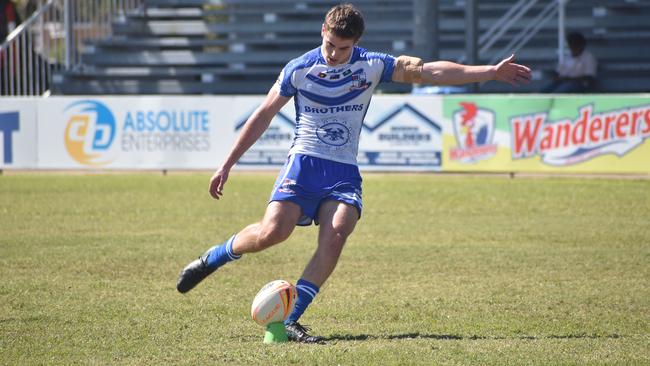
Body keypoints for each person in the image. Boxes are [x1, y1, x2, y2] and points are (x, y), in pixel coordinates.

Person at [176, 3, 531, 343]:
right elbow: (264, 114)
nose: (332, 53)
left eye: (342, 47)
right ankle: (216, 256)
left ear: (356, 43)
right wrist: (227, 163)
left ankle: (291, 317)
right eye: (329, 44)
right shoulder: (299, 68)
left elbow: (431, 72)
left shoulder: (373, 65)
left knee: (336, 234)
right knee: (272, 233)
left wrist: (490, 72)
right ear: (322, 32)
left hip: (343, 170)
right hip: (304, 163)